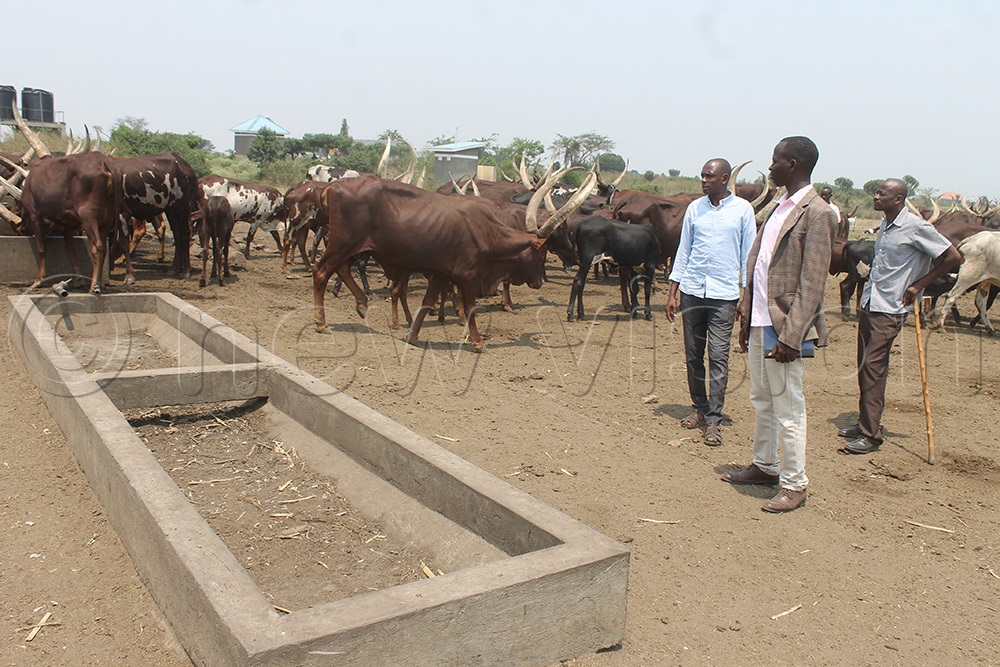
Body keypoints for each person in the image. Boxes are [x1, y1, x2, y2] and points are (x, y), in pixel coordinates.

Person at [721, 136, 837, 513]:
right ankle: (765, 465)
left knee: (789, 406)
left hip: (784, 324)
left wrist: (793, 334)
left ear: (794, 163)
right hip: (759, 320)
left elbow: (813, 280)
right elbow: (760, 263)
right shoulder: (779, 206)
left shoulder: (817, 212)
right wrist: (745, 312)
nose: (770, 167)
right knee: (762, 399)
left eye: (775, 161)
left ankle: (794, 483)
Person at [838, 179, 961, 454]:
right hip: (872, 302)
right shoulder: (885, 224)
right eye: (877, 192)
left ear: (898, 199)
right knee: (865, 366)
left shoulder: (916, 227)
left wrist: (920, 284)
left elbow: (953, 256)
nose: (876, 196)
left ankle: (871, 436)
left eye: (882, 193)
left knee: (873, 367)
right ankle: (865, 423)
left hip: (891, 308)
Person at [665, 159, 756, 446]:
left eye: (709, 176)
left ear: (725, 178)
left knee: (718, 356)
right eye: (702, 175)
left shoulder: (742, 210)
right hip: (692, 290)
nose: (703, 180)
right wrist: (672, 291)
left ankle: (714, 418)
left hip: (724, 296)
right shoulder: (695, 208)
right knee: (693, 354)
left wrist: (746, 297)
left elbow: (748, 257)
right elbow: (684, 250)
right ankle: (699, 408)